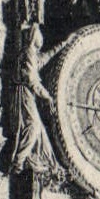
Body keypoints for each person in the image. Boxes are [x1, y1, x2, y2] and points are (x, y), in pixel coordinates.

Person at [10, 23, 59, 173]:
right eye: (38, 35)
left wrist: (63, 45)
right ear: (34, 37)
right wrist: (47, 96)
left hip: (27, 95)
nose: (41, 38)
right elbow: (32, 80)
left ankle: (50, 164)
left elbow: (43, 59)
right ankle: (18, 162)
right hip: (24, 95)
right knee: (33, 126)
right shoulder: (28, 53)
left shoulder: (31, 53)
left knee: (39, 130)